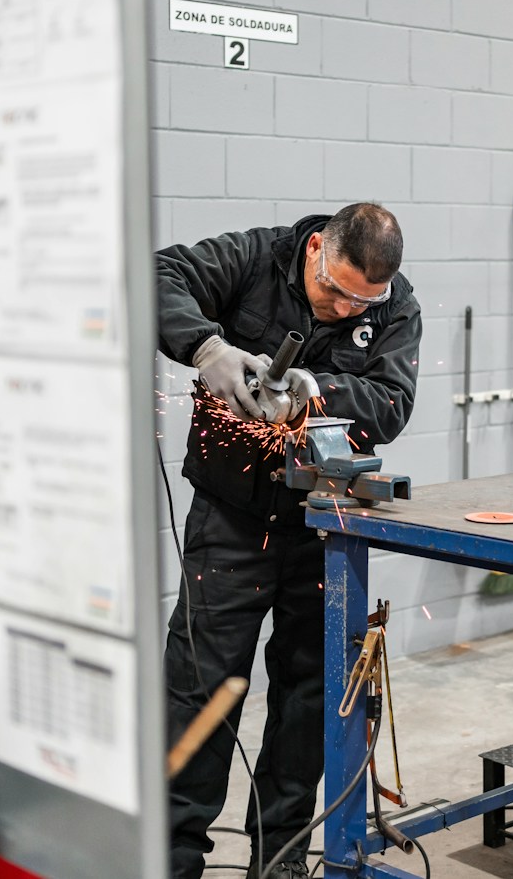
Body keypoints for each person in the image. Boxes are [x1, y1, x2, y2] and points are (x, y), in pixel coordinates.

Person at [156, 203, 421, 879]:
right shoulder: (254, 257)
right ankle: (172, 858)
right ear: (313, 249)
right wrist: (207, 348)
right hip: (230, 523)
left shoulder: (395, 309)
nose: (340, 308)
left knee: (307, 698)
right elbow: (156, 276)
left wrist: (317, 393)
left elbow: (391, 401)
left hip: (324, 527)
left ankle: (278, 862)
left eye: (359, 301)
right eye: (332, 288)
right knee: (199, 693)